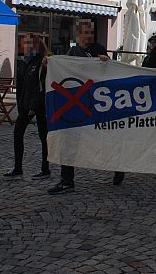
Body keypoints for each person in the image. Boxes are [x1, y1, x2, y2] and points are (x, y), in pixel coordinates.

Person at [47, 19, 118, 194]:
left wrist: (105, 60)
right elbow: (63, 71)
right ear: (78, 34)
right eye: (86, 33)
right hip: (77, 107)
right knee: (68, 141)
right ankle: (66, 180)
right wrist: (49, 63)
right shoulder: (72, 52)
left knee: (105, 140)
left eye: (91, 33)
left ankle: (118, 167)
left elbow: (108, 73)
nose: (89, 36)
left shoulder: (98, 50)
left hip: (97, 104)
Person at [4, 34, 50, 180]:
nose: (24, 46)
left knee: (43, 136)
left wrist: (34, 105)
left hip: (38, 105)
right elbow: (22, 86)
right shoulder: (24, 62)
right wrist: (21, 104)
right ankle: (18, 167)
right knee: (18, 133)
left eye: (27, 44)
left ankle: (45, 168)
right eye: (23, 44)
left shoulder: (41, 62)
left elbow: (40, 86)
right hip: (25, 104)